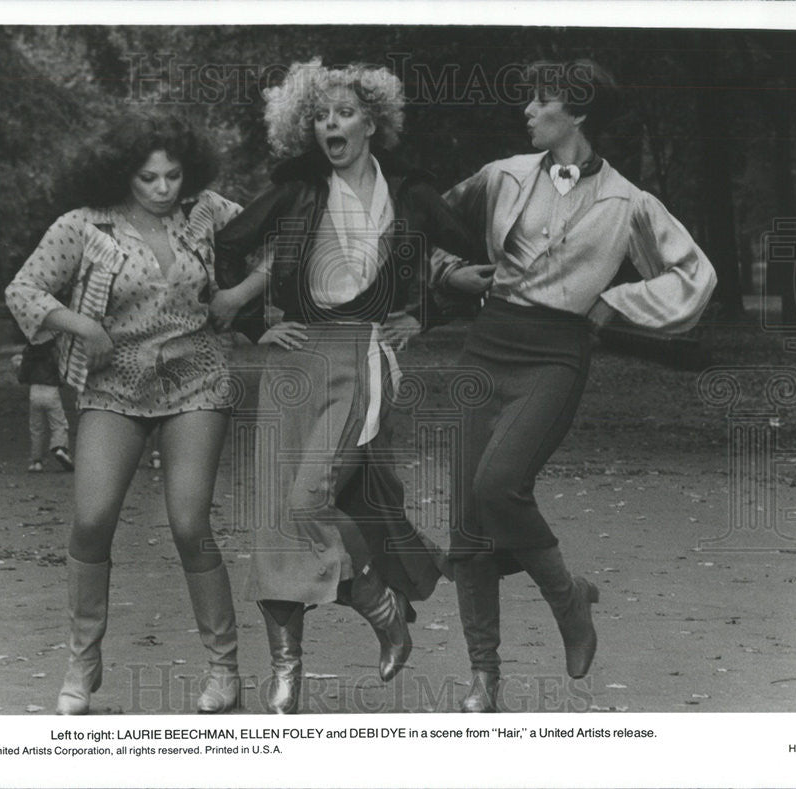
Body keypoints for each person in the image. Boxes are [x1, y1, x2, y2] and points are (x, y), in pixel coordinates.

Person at [434, 59, 718, 712]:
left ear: (578, 114)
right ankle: (484, 677)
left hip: (555, 358)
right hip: (485, 349)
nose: (528, 110)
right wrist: (448, 272)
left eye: (542, 100)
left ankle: (569, 601)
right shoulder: (500, 176)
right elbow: (422, 225)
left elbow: (693, 274)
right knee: (469, 525)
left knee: (497, 483)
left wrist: (617, 300)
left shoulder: (627, 202)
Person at [209, 60, 493, 714]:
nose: (330, 124)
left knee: (309, 498)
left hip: (361, 352)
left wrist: (427, 314)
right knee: (277, 518)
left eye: (343, 113)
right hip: (293, 358)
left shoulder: (411, 192)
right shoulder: (298, 185)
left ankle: (379, 604)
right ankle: (287, 670)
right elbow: (229, 243)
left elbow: (471, 254)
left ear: (371, 121)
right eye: (320, 115)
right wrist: (254, 323)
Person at [5, 110, 243, 715]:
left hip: (196, 378)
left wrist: (244, 295)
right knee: (91, 519)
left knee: (190, 524)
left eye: (172, 176)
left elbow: (285, 236)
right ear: (122, 176)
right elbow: (24, 290)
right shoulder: (84, 226)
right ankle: (83, 663)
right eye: (148, 178)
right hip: (113, 386)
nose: (163, 189)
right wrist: (80, 322)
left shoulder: (208, 211)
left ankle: (224, 668)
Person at [14, 339, 75, 473]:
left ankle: (36, 462)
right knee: (58, 424)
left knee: (36, 428)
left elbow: (22, 377)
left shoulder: (28, 352)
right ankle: (60, 449)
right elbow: (61, 370)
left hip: (34, 391)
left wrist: (17, 367)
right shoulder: (53, 350)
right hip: (51, 390)